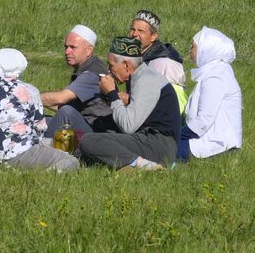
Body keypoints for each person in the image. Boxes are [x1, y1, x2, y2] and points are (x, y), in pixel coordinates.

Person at [77, 37, 182, 170]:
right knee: (86, 149)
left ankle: (142, 165)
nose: (109, 71)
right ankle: (130, 163)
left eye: (111, 65)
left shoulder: (146, 80)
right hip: (147, 140)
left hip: (158, 145)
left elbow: (128, 126)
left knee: (88, 141)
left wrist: (112, 94)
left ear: (127, 65)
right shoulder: (139, 76)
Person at [0, 48, 78, 171]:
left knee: (51, 143)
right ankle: (46, 176)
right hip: (15, 153)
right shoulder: (28, 90)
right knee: (70, 160)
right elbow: (40, 128)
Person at [180, 27, 242, 159]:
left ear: (206, 49)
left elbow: (204, 120)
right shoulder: (214, 71)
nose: (190, 50)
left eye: (193, 46)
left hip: (215, 145)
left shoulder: (216, 76)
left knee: (161, 147)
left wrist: (177, 134)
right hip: (210, 140)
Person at [39, 25, 112, 132]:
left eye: (73, 47)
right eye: (66, 47)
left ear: (89, 50)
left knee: (66, 112)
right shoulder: (85, 67)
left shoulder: (92, 74)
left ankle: (42, 147)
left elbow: (61, 99)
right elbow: (63, 105)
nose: (67, 52)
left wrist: (30, 97)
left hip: (98, 131)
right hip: (87, 124)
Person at [129, 10, 185, 86]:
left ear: (153, 37)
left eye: (141, 31)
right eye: (132, 29)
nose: (134, 34)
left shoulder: (164, 64)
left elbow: (168, 95)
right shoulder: (134, 55)